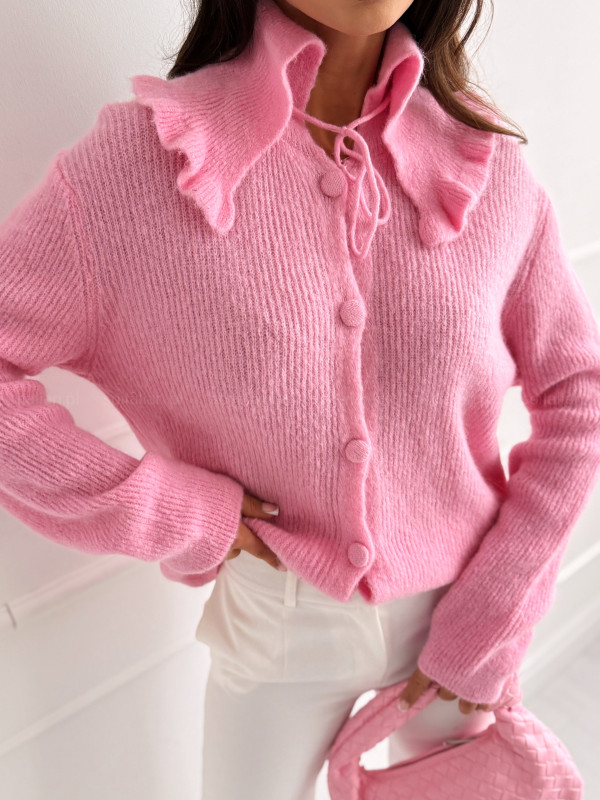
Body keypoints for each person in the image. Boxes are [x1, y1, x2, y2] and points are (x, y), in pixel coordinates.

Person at [1, 0, 599, 798]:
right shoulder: (136, 167)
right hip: (280, 622)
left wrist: (495, 615)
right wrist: (181, 514)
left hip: (465, 614)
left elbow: (579, 393)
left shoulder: (481, 162)